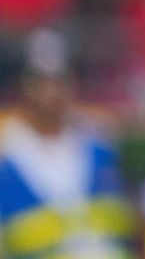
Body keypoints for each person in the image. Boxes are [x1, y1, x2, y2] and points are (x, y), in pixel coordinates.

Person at [0, 29, 135, 258]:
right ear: (22, 87)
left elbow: (122, 223)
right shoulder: (7, 156)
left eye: (58, 81)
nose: (50, 93)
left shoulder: (100, 148)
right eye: (40, 82)